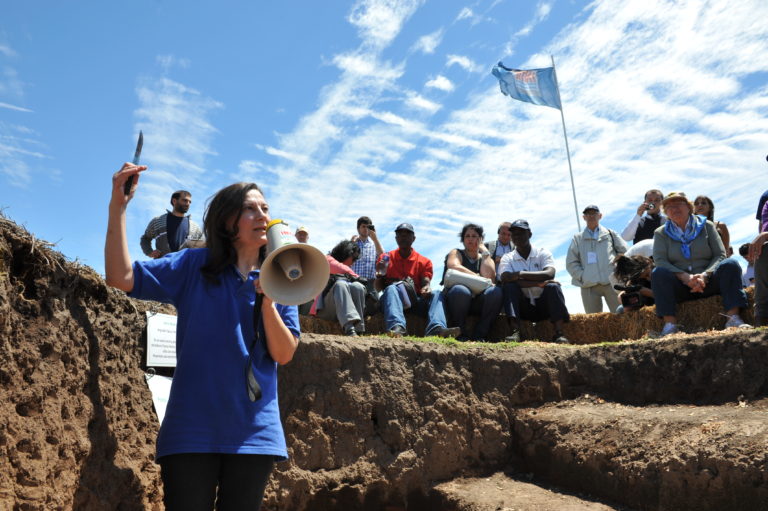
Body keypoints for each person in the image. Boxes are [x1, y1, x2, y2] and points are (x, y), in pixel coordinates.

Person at [106, 163, 299, 510]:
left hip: (254, 433)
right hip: (191, 429)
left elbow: (284, 354)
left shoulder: (284, 278)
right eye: (250, 208)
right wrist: (118, 207)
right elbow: (121, 277)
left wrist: (269, 302)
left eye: (265, 208)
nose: (262, 215)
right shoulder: (193, 265)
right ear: (226, 222)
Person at [652, 192, 750, 336]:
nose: (674, 208)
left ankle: (733, 318)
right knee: (658, 273)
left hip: (709, 282)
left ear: (689, 207)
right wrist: (684, 277)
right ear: (666, 212)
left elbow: (720, 254)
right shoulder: (660, 233)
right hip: (681, 286)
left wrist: (705, 275)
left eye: (679, 204)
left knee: (730, 264)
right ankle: (670, 325)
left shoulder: (706, 226)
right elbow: (660, 260)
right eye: (669, 207)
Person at [374, 223, 459, 338]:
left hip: (414, 301)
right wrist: (379, 276)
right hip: (392, 302)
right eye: (400, 234)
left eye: (407, 234)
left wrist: (426, 288)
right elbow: (378, 288)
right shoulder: (386, 258)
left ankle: (436, 328)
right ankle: (396, 328)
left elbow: (426, 282)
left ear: (413, 238)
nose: (403, 236)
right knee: (392, 288)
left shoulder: (424, 261)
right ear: (396, 238)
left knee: (437, 293)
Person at [498, 219, 570, 343]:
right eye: (514, 234)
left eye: (521, 232)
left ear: (530, 234)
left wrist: (519, 274)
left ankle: (559, 333)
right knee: (509, 287)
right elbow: (505, 278)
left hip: (543, 306)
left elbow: (549, 273)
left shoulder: (542, 252)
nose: (517, 236)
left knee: (553, 287)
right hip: (523, 308)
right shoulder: (507, 258)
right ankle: (515, 332)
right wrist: (538, 283)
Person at [443, 223, 503, 341]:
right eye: (467, 236)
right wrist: (476, 277)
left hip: (477, 301)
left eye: (474, 236)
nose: (470, 239)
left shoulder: (485, 257)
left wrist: (484, 251)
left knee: (496, 292)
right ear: (463, 239)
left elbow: (489, 278)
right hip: (458, 300)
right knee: (460, 290)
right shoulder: (456, 252)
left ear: (480, 239)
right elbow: (453, 266)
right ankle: (461, 333)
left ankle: (480, 334)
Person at [566, 205, 628, 313]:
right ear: (584, 217)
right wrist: (582, 276)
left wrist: (617, 271)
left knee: (620, 316)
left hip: (612, 282)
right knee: (593, 320)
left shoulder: (611, 233)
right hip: (588, 286)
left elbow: (625, 252)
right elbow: (571, 262)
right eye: (588, 214)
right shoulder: (577, 238)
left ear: (600, 216)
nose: (591, 216)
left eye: (594, 213)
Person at [311, 240, 367, 336]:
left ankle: (358, 328)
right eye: (353, 259)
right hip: (324, 310)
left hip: (340, 311)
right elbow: (339, 267)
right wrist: (356, 277)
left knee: (358, 286)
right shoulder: (326, 259)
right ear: (347, 254)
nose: (353, 263)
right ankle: (349, 329)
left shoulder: (347, 271)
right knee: (340, 284)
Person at [140, 190, 204, 258]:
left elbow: (201, 247)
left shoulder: (194, 227)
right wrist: (149, 252)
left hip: (186, 264)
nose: (188, 204)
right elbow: (145, 238)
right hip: (163, 263)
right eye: (185, 200)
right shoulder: (158, 221)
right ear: (174, 201)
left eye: (189, 202)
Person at [351, 216, 384, 291]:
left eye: (368, 227)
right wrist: (351, 243)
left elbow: (382, 256)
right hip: (354, 282)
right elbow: (345, 259)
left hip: (371, 284)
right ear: (358, 229)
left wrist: (375, 239)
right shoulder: (353, 243)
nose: (366, 229)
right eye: (363, 226)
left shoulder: (375, 244)